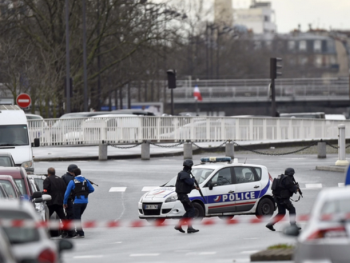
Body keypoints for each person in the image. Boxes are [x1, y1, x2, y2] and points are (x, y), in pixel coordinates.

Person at [63, 168, 94, 238]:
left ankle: (80, 232)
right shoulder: (86, 180)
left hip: (77, 202)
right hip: (85, 202)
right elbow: (92, 189)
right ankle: (78, 231)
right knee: (78, 216)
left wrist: (65, 202)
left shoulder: (72, 181)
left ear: (74, 174)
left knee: (76, 217)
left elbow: (67, 193)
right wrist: (85, 193)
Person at [43, 167, 72, 237]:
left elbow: (45, 190)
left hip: (51, 201)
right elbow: (65, 189)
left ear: (48, 173)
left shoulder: (47, 179)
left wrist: (43, 194)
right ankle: (70, 232)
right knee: (63, 217)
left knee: (45, 217)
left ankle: (41, 232)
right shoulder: (60, 179)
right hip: (60, 201)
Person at [174, 159, 199, 234]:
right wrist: (193, 179)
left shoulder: (184, 174)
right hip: (183, 196)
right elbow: (189, 182)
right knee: (192, 210)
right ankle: (189, 228)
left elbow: (185, 185)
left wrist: (195, 187)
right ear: (190, 166)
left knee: (189, 210)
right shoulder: (184, 174)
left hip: (183, 195)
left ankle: (179, 225)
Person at [61, 164, 78, 238]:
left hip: (66, 199)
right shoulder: (73, 178)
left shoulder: (63, 177)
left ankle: (65, 231)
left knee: (67, 215)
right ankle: (71, 231)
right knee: (71, 215)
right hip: (71, 199)